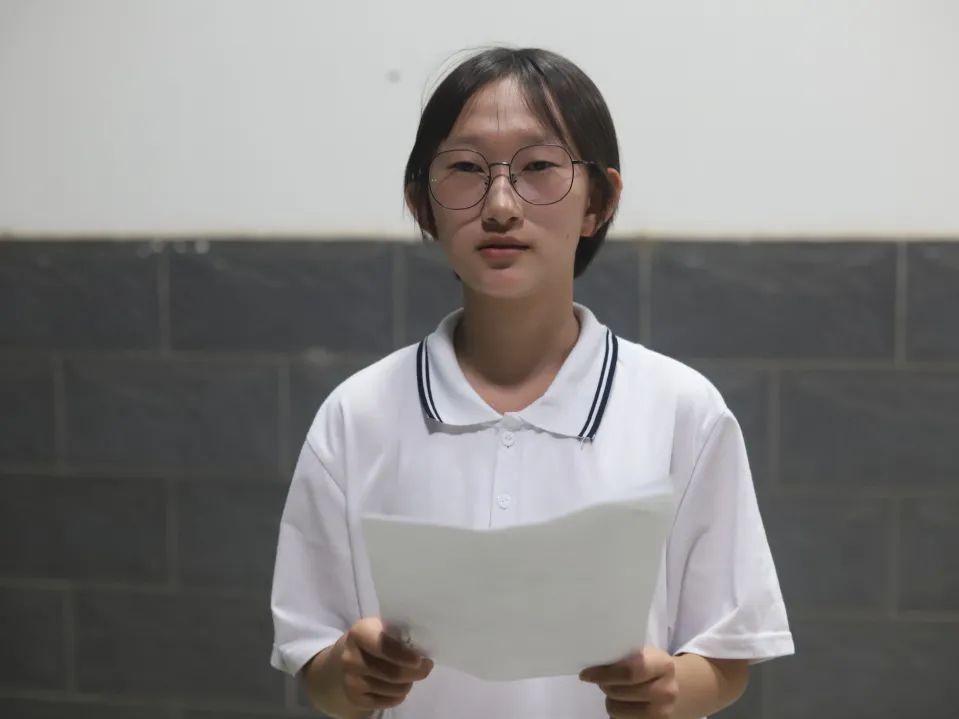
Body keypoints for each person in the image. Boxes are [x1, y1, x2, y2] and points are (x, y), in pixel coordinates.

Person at [270, 46, 794, 719]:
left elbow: (726, 652)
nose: (499, 205)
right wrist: (350, 675)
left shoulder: (680, 410)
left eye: (538, 167)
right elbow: (316, 664)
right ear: (421, 204)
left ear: (598, 201)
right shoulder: (356, 415)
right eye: (465, 168)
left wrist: (669, 690)